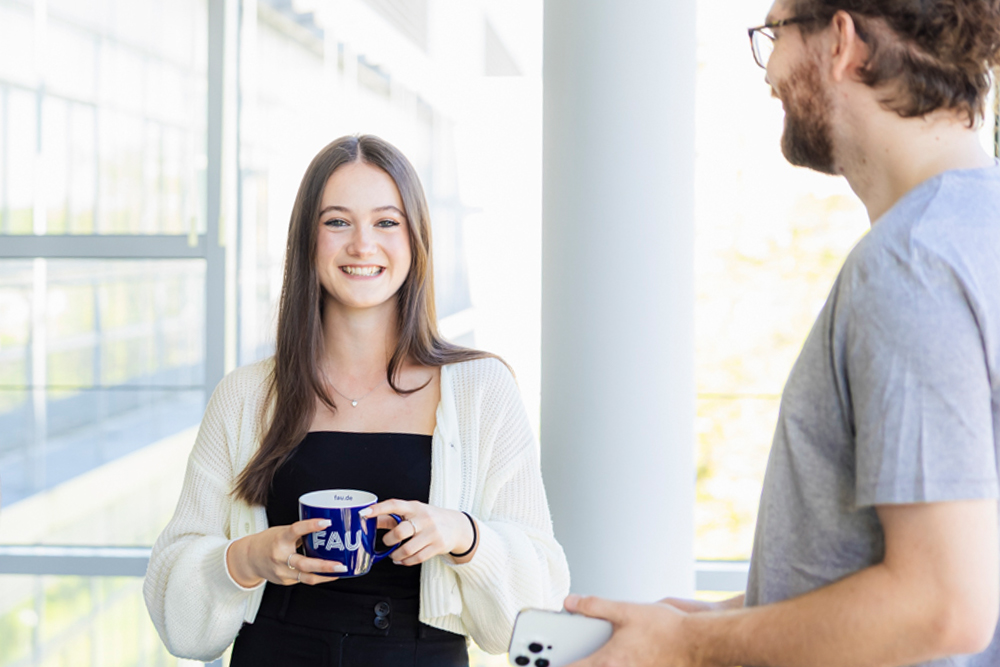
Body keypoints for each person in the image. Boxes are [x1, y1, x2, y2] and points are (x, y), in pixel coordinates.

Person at [565, 1, 1000, 665]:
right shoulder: (974, 234)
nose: (768, 69)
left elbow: (942, 606)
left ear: (840, 41)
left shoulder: (911, 265)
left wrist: (690, 646)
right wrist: (727, 614)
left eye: (774, 34)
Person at [143, 134, 570, 666]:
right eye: (337, 221)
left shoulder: (482, 389)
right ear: (307, 241)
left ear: (416, 240)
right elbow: (175, 616)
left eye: (387, 222)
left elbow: (539, 610)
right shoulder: (245, 396)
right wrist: (246, 558)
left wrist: (465, 536)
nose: (363, 245)